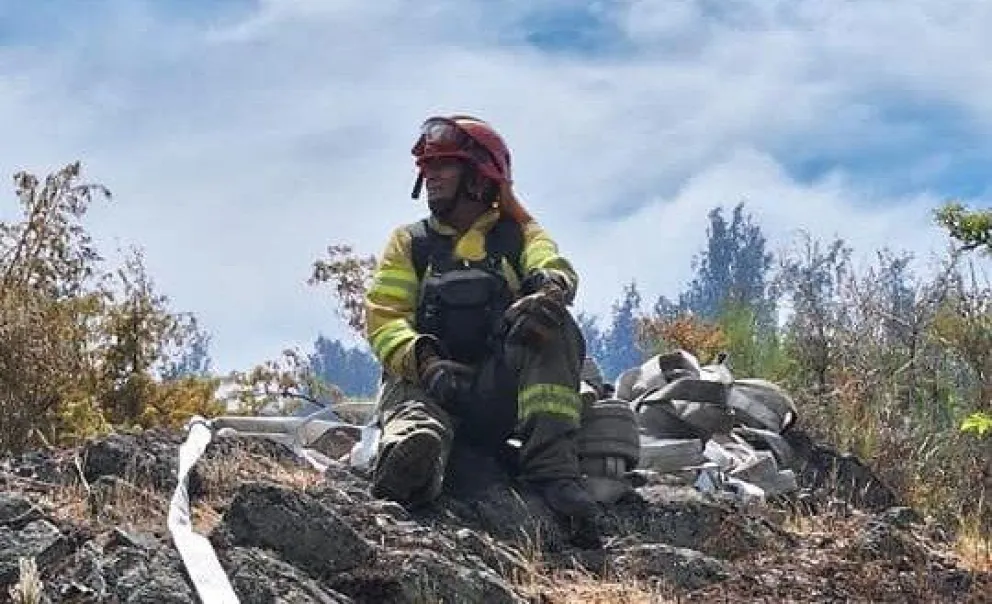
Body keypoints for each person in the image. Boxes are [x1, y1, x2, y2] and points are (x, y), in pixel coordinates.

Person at [363, 114, 600, 534]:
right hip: (429, 387)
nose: (430, 177)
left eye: (443, 166)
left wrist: (549, 290)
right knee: (416, 420)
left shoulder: (517, 236)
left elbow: (551, 263)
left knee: (554, 325)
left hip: (494, 394)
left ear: (478, 177)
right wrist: (425, 359)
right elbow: (385, 318)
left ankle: (551, 469)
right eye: (426, 168)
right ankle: (411, 463)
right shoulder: (410, 243)